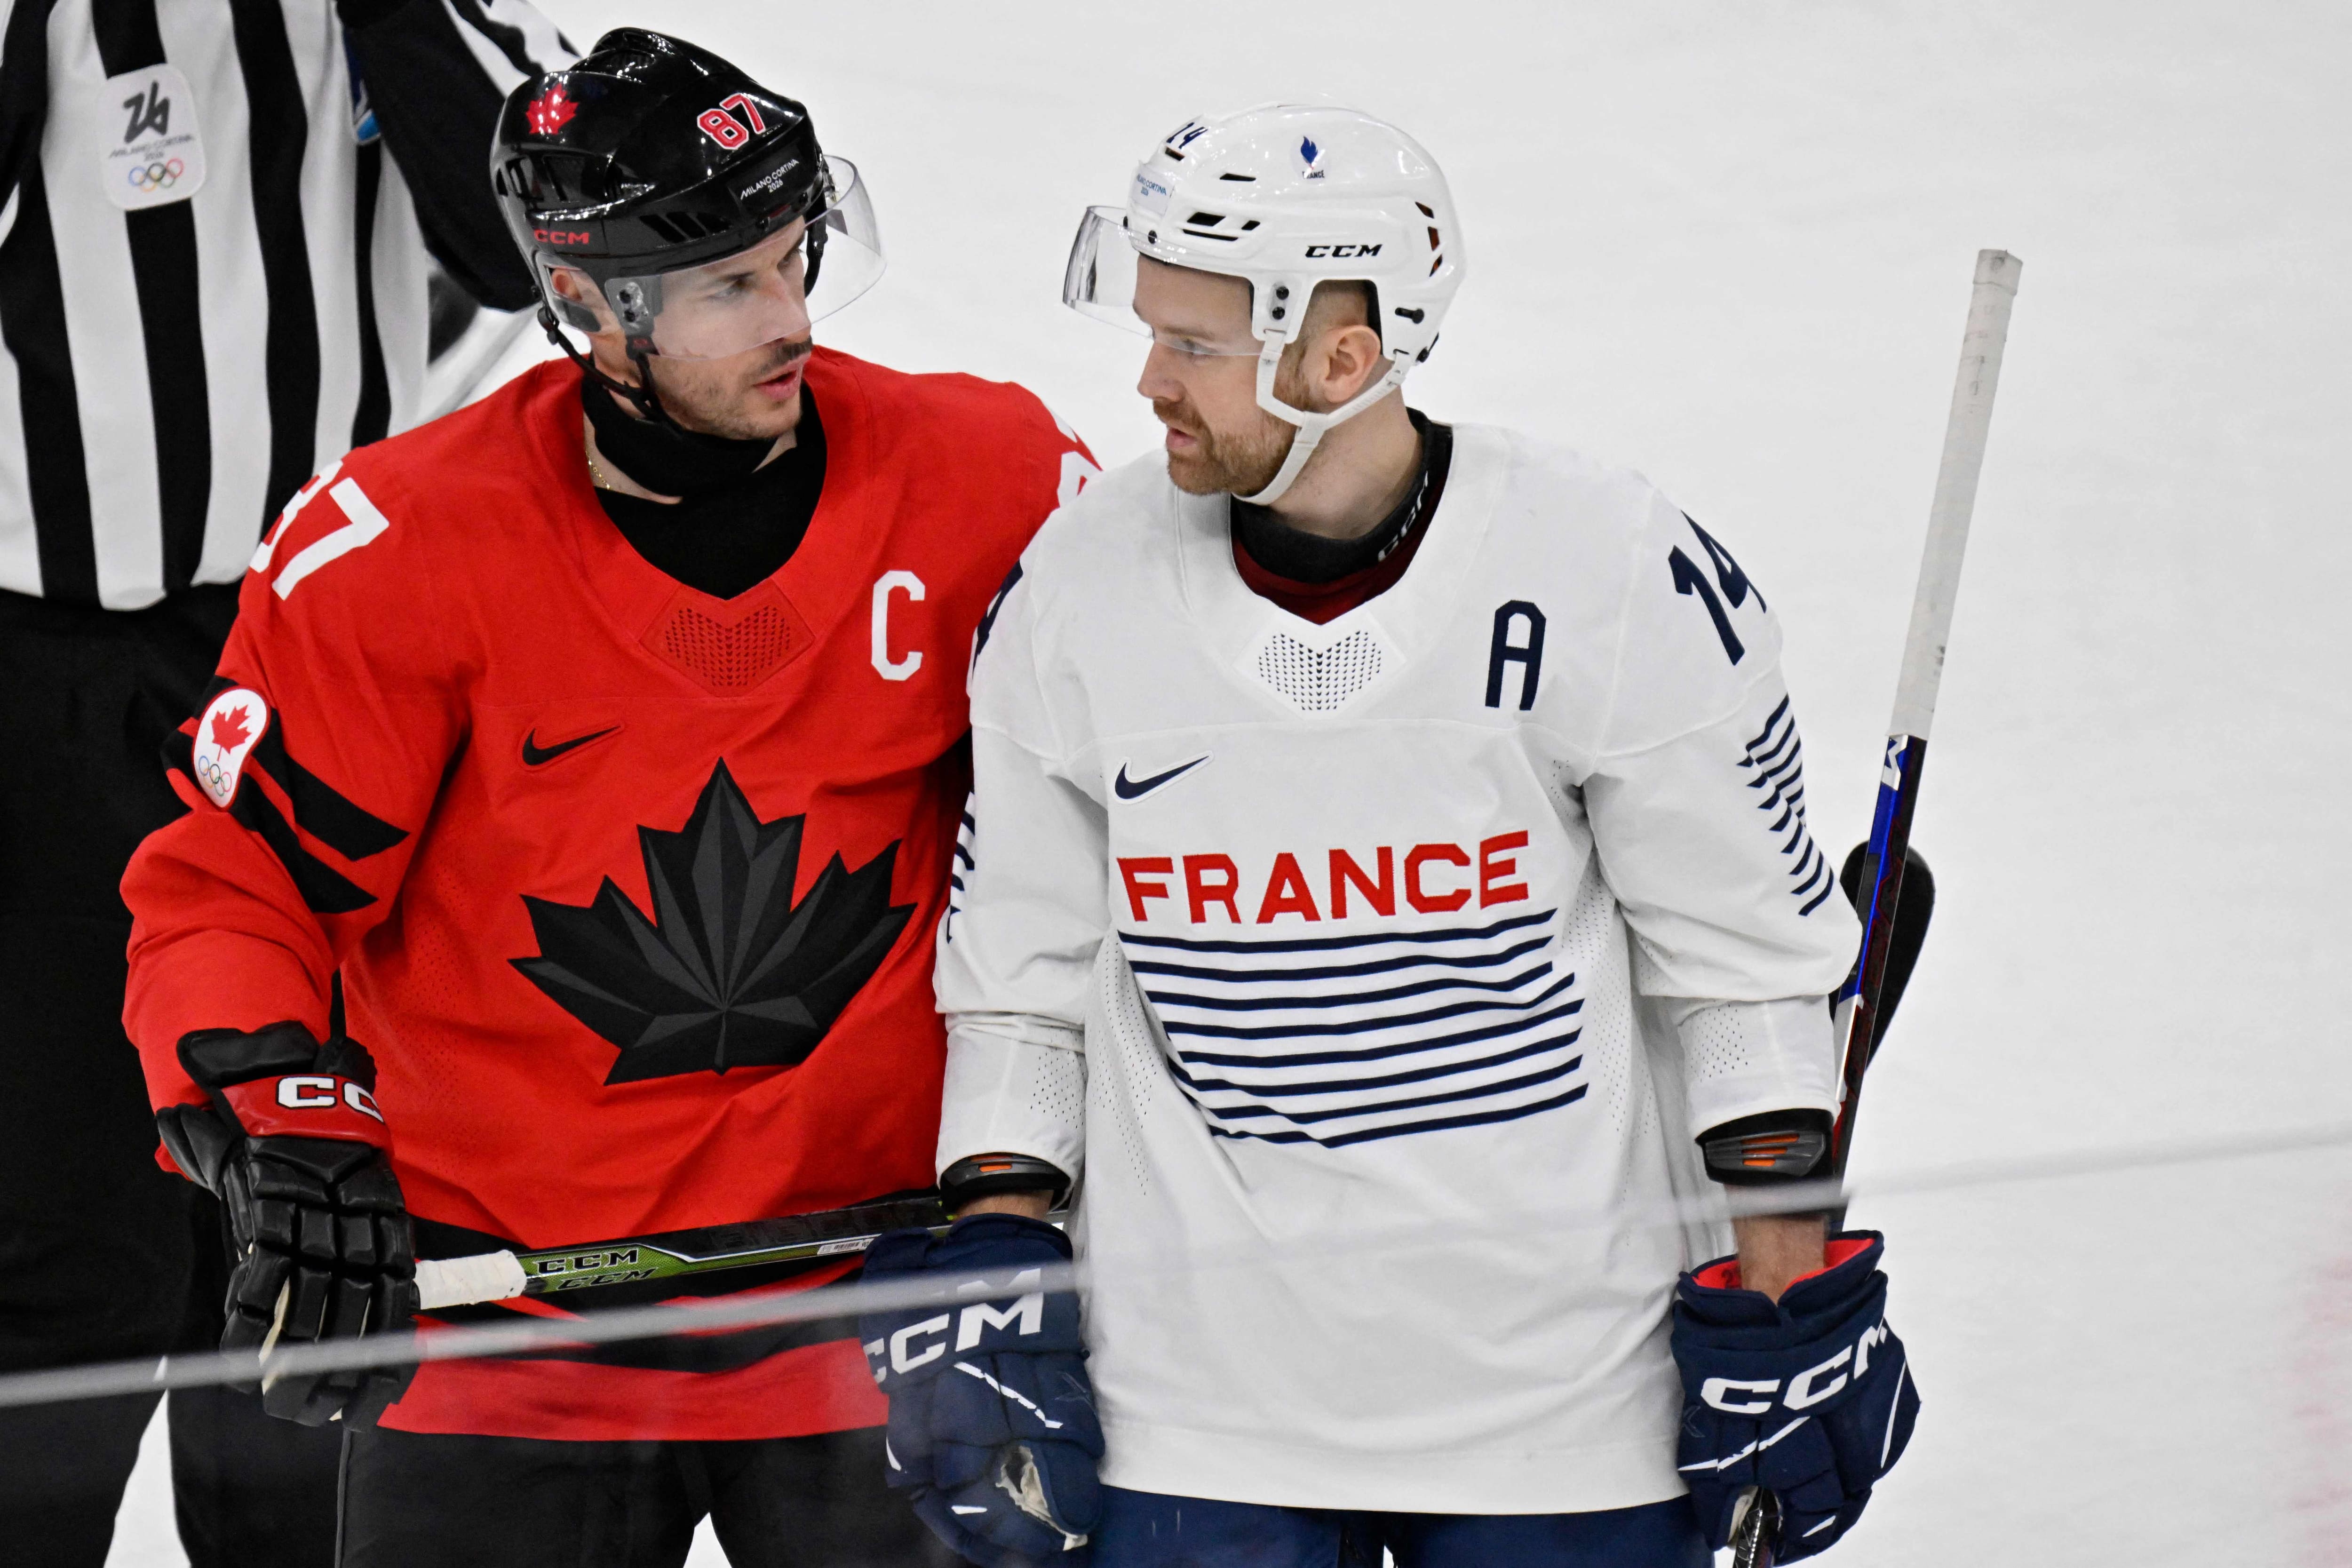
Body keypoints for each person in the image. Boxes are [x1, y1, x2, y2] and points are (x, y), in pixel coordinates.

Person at [860, 105, 1920, 1567]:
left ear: (1340, 357)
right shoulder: (1080, 590)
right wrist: (997, 1252)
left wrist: (1785, 1291)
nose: (1150, 379)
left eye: (1195, 344)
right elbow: (1020, 992)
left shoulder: (1607, 567)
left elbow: (1739, 973)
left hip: (1565, 1411)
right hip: (1196, 1417)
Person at [116, 29, 1095, 1567]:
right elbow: (232, 887)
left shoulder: (992, 478)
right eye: (730, 287)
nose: (793, 319)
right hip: (507, 1342)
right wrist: (284, 1119)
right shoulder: (399, 553)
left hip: (883, 1320)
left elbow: (1136, 812)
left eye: (798, 258)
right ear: (585, 307)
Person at [0, 0, 564, 1560]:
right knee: (65, 1250)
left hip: (325, 662)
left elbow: (536, 232)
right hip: (39, 671)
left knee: (307, 1221)